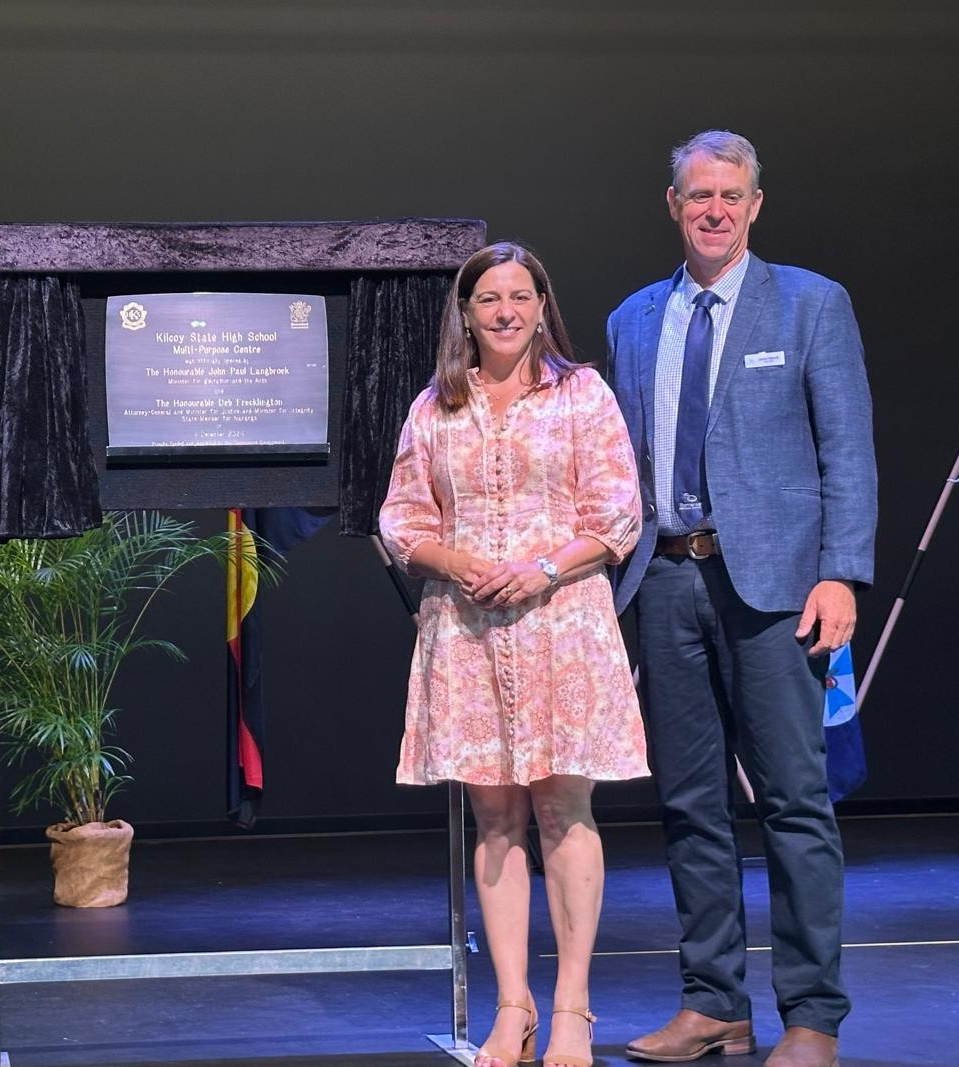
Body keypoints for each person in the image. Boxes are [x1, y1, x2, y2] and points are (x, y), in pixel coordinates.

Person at [606, 131, 877, 1067]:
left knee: (797, 802)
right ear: (671, 204)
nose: (714, 209)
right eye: (697, 194)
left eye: (731, 194)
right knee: (688, 804)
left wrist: (842, 570)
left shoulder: (810, 305)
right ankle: (712, 1002)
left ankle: (811, 1017)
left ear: (756, 205)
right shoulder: (634, 320)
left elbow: (847, 449)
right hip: (667, 578)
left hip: (778, 591)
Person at [380, 242, 647, 1067]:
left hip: (561, 624)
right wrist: (454, 562)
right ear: (466, 311)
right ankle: (512, 1007)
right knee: (495, 820)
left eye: (520, 296)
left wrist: (540, 566)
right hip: (464, 632)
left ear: (541, 305)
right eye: (488, 298)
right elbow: (399, 517)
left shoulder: (581, 395)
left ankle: (573, 1008)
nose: (504, 311)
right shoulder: (435, 407)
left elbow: (617, 513)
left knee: (564, 812)